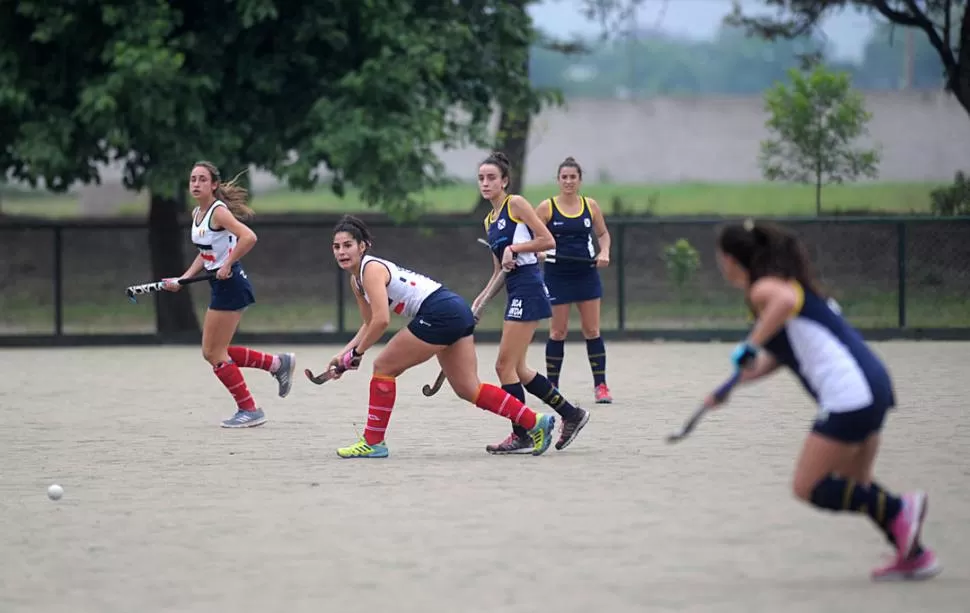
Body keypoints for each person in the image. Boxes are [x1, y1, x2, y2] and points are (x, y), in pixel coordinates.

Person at [709, 218, 940, 582]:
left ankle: (901, 507)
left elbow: (780, 305)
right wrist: (731, 386)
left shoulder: (767, 289)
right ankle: (914, 555)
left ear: (731, 259)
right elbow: (784, 355)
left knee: (808, 486)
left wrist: (749, 345)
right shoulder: (795, 285)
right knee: (856, 483)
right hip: (872, 385)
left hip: (850, 395)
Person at [324, 214, 557, 459]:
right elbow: (368, 322)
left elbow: (382, 320)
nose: (342, 251)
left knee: (383, 367)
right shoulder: (356, 280)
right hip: (454, 309)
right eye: (336, 246)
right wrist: (343, 356)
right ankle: (536, 421)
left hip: (439, 312)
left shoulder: (370, 270)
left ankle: (373, 442)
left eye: (348, 245)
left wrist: (357, 353)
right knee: (469, 388)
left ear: (362, 246)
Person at [162, 161, 295, 428]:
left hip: (231, 283)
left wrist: (226, 264)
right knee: (215, 350)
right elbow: (206, 253)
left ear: (214, 185)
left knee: (212, 352)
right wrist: (184, 279)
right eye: (192, 179)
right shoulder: (197, 214)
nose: (196, 184)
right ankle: (277, 364)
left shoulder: (218, 212)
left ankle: (249, 409)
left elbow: (248, 237)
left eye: (202, 179)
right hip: (221, 284)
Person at [476, 151, 590, 455]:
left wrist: (517, 246)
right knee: (520, 369)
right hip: (515, 288)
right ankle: (571, 414)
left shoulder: (516, 204)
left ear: (504, 181)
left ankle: (523, 433)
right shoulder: (489, 219)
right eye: (481, 178)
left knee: (504, 366)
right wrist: (481, 300)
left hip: (529, 286)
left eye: (491, 178)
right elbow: (499, 268)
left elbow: (548, 240)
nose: (485, 183)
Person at [536, 156, 613, 404]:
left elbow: (603, 234)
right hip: (558, 275)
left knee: (592, 330)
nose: (568, 181)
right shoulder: (546, 207)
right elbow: (531, 235)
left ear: (579, 180)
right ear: (558, 180)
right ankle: (553, 387)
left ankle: (601, 386)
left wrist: (604, 252)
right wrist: (537, 251)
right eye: (564, 177)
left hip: (586, 274)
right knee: (558, 332)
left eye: (573, 177)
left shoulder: (590, 205)